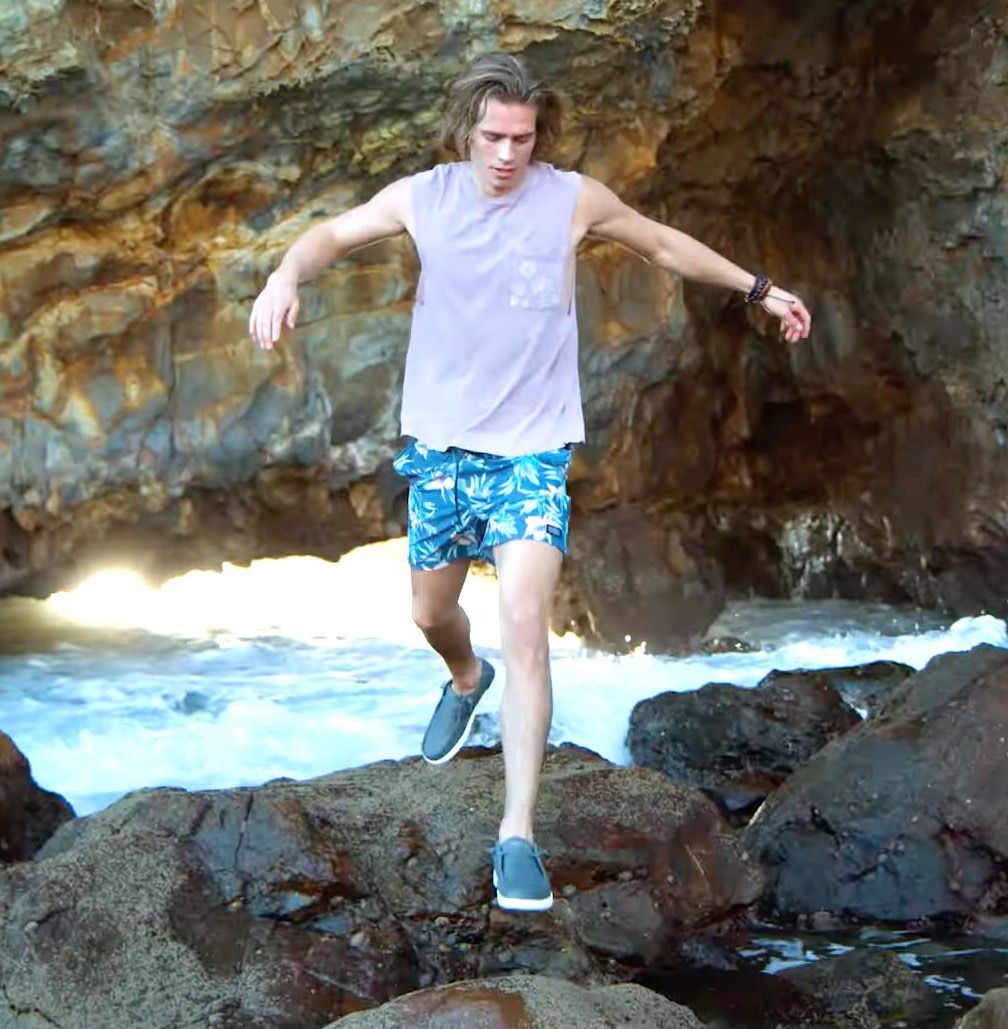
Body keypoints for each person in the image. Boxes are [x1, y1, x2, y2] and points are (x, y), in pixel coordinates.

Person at [249, 53, 812, 913]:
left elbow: (661, 243)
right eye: (493, 137)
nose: (509, 153)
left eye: (522, 138)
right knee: (430, 612)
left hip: (532, 452)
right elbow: (330, 234)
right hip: (441, 448)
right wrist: (285, 275)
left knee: (525, 623)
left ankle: (516, 835)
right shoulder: (423, 198)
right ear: (464, 133)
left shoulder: (571, 199)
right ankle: (462, 677)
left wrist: (758, 288)